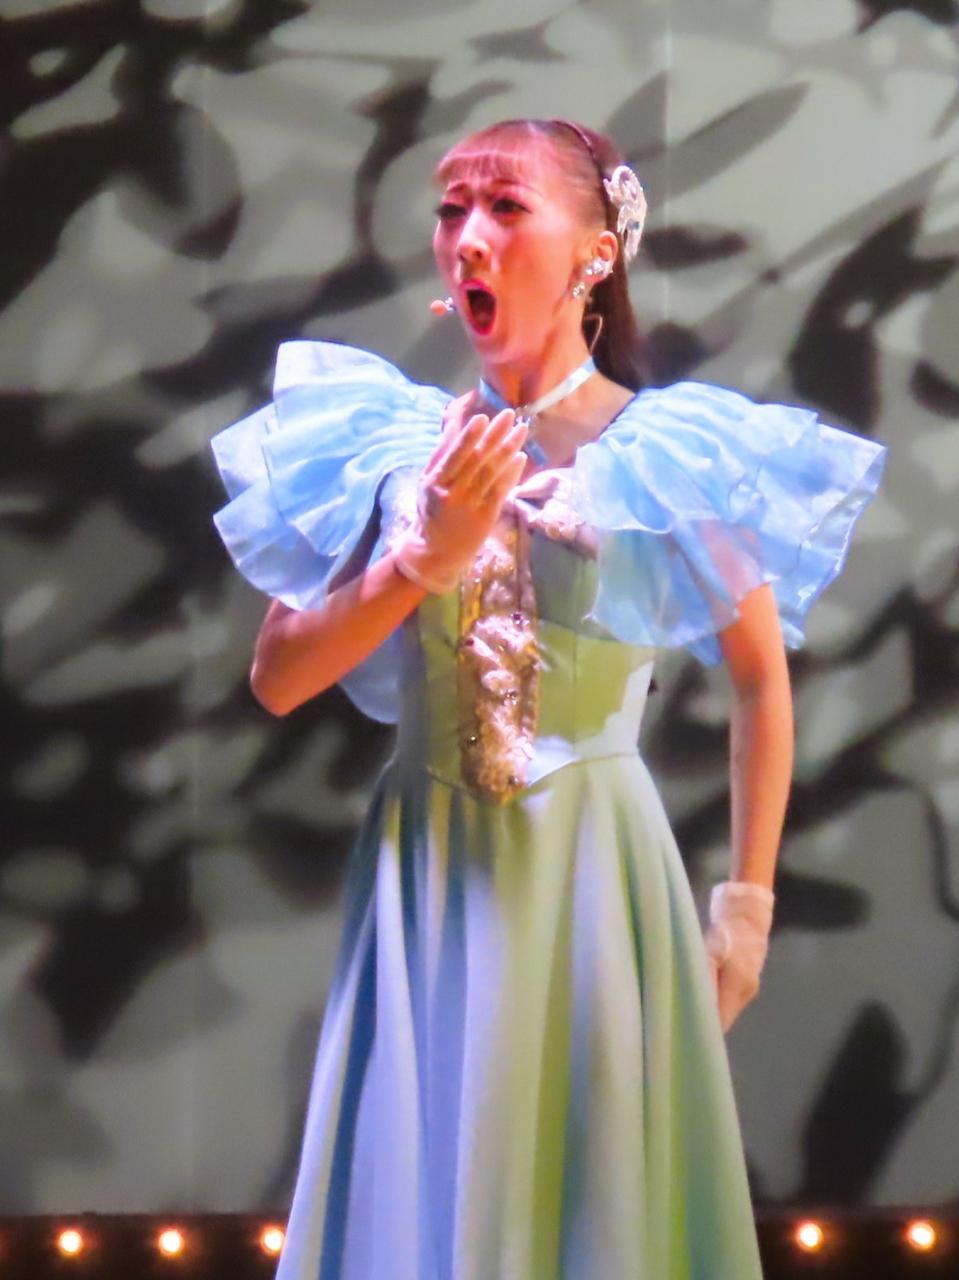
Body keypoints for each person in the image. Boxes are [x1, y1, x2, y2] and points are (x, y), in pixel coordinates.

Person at [210, 118, 886, 1280]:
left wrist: (745, 906)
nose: (466, 236)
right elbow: (279, 676)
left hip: (595, 872)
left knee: (594, 1199)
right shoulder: (390, 445)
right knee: (429, 1181)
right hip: (430, 869)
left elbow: (759, 678)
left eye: (505, 206)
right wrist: (419, 558)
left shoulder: (666, 448)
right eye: (450, 210)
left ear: (593, 252)